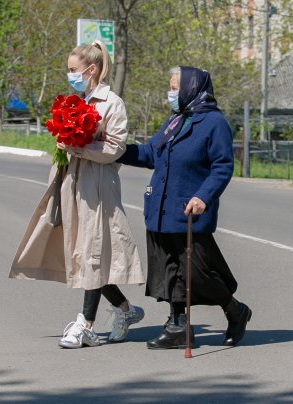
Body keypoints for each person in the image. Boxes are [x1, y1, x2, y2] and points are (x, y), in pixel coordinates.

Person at [117, 66, 251, 349]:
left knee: (198, 272)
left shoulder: (214, 123)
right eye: (170, 87)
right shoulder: (175, 121)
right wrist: (117, 150)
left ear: (192, 87)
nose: (171, 92)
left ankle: (235, 311)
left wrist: (204, 196)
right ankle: (178, 326)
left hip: (189, 211)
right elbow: (150, 153)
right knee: (168, 270)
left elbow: (222, 166)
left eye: (176, 87)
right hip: (161, 209)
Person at [51, 41, 145, 349]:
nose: (70, 75)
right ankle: (125, 310)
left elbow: (115, 148)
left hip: (99, 186)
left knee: (93, 253)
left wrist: (78, 146)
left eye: (74, 70)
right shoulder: (79, 100)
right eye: (68, 70)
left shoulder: (110, 102)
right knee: (87, 253)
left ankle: (85, 326)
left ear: (92, 69)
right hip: (76, 183)